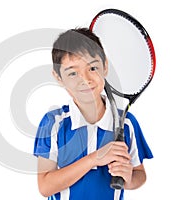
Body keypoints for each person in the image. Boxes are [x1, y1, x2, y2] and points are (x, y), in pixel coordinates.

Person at [33, 28, 153, 200]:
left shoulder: (126, 123)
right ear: (58, 77)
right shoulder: (53, 122)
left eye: (93, 68)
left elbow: (139, 174)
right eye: (73, 73)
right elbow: (45, 186)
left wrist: (128, 177)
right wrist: (94, 159)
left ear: (105, 66)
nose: (85, 79)